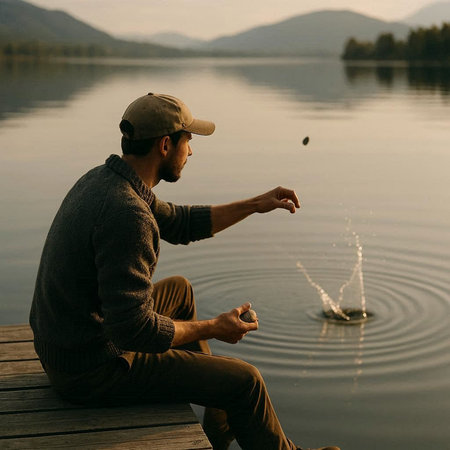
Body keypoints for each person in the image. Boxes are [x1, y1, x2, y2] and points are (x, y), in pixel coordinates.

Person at [29, 93, 340, 450]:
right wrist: (215, 328)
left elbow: (179, 222)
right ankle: (241, 412)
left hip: (67, 345)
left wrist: (257, 204)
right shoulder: (127, 214)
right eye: (188, 141)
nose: (190, 152)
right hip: (90, 370)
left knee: (179, 290)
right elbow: (134, 332)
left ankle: (218, 416)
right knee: (247, 381)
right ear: (165, 144)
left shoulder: (106, 180)